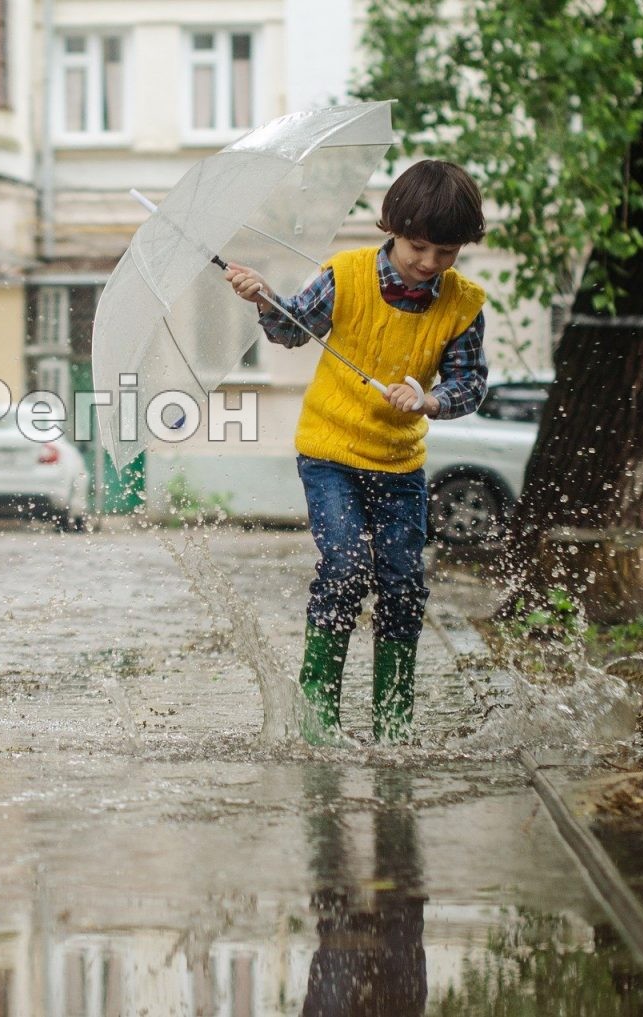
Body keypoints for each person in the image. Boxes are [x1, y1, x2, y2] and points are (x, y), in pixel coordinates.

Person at [225, 159, 488, 744]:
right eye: (419, 246)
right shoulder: (345, 276)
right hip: (330, 455)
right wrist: (264, 297)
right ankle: (318, 721)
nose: (429, 263)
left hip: (400, 464)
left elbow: (469, 384)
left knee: (402, 584)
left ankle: (393, 724)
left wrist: (432, 400)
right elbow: (292, 330)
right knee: (344, 569)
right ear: (391, 227)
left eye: (446, 252)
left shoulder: (463, 304)